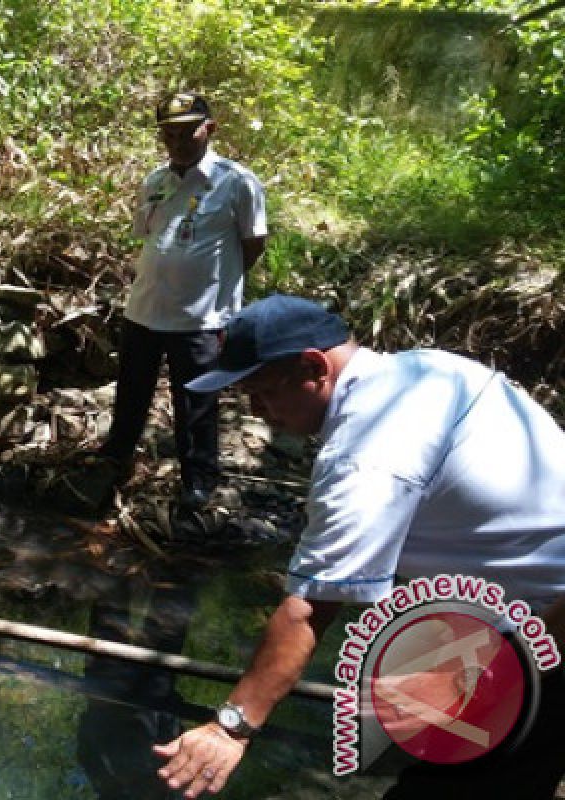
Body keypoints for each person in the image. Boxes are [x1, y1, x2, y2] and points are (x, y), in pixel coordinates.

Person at [153, 294, 565, 798]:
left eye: (261, 391)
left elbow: (308, 611)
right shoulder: (431, 369)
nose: (257, 411)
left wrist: (230, 728)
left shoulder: (367, 450)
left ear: (313, 366)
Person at [100, 91, 268, 509]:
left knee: (196, 403)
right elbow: (149, 237)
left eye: (186, 132)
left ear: (208, 129)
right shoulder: (155, 181)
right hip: (145, 309)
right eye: (168, 134)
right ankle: (115, 459)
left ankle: (198, 482)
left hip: (200, 318)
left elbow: (253, 244)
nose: (176, 142)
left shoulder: (236, 183)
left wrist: (215, 286)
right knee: (131, 392)